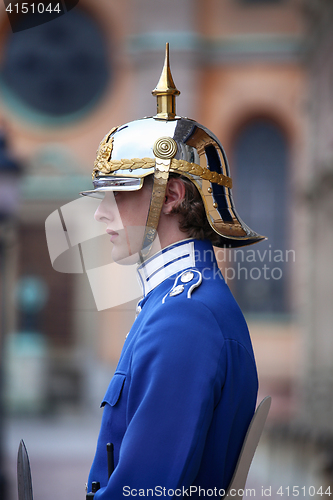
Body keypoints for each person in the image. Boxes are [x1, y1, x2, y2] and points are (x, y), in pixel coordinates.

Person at [81, 44, 264, 499]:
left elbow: (146, 492)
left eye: (119, 193)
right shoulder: (179, 303)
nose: (103, 214)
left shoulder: (185, 316)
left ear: (174, 194)